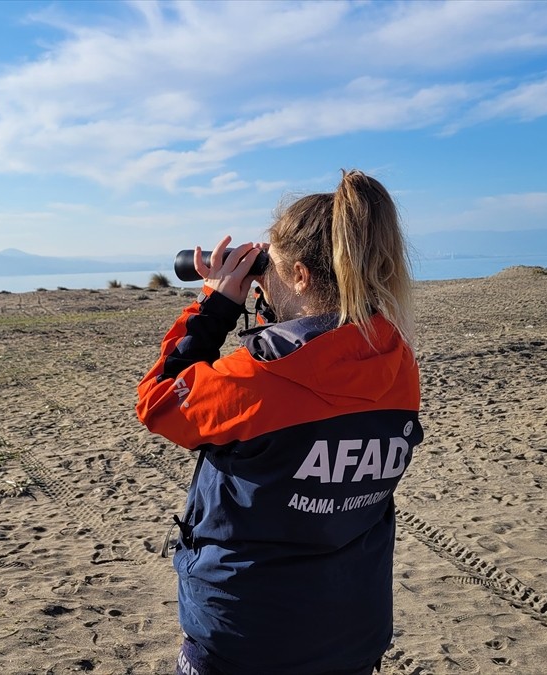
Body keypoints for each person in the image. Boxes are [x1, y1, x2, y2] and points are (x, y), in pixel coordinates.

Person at [136, 169, 422, 675]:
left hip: (246, 635)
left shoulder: (255, 379)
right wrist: (275, 308)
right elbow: (320, 357)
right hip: (352, 629)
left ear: (300, 275)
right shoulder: (397, 364)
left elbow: (160, 403)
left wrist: (217, 304)